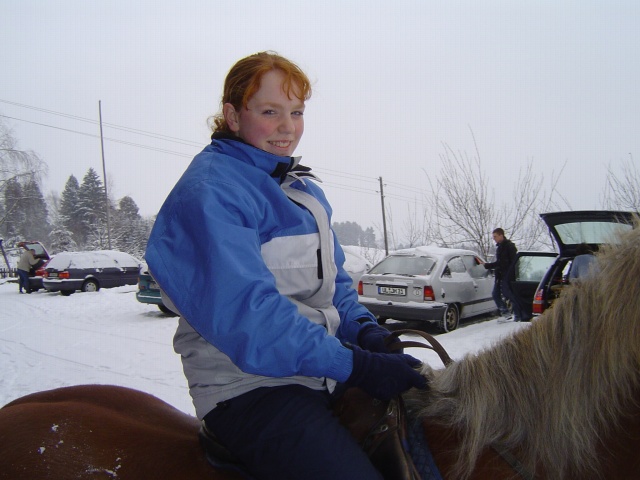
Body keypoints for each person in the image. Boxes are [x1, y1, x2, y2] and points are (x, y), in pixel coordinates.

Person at [145, 52, 426, 479]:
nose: (287, 127)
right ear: (233, 116)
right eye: (269, 112)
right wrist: (357, 365)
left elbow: (336, 286)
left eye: (296, 112)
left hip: (320, 372)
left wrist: (366, 332)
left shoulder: (303, 192)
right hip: (249, 386)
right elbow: (249, 317)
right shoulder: (211, 192)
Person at [483, 228, 531, 322]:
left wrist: (489, 266)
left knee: (510, 295)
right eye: (493, 237)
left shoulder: (509, 246)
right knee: (495, 294)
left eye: (495, 236)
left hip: (508, 276)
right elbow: (500, 263)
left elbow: (509, 263)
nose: (494, 239)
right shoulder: (499, 247)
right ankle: (506, 313)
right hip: (499, 275)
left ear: (501, 235)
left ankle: (518, 315)